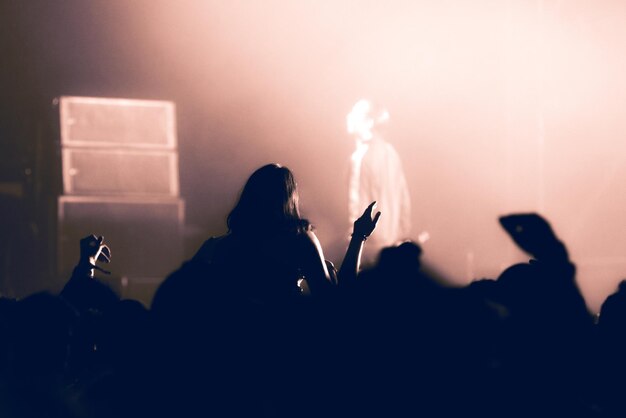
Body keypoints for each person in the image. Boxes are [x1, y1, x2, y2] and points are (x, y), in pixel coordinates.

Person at [192, 163, 379, 302]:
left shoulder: (214, 247)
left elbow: (183, 294)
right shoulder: (300, 240)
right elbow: (335, 301)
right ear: (290, 199)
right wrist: (359, 237)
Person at [346, 99, 411, 264]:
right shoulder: (391, 153)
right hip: (392, 244)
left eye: (355, 114)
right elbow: (404, 201)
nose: (348, 117)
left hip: (368, 247)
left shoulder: (360, 157)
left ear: (369, 122)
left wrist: (354, 242)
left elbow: (357, 207)